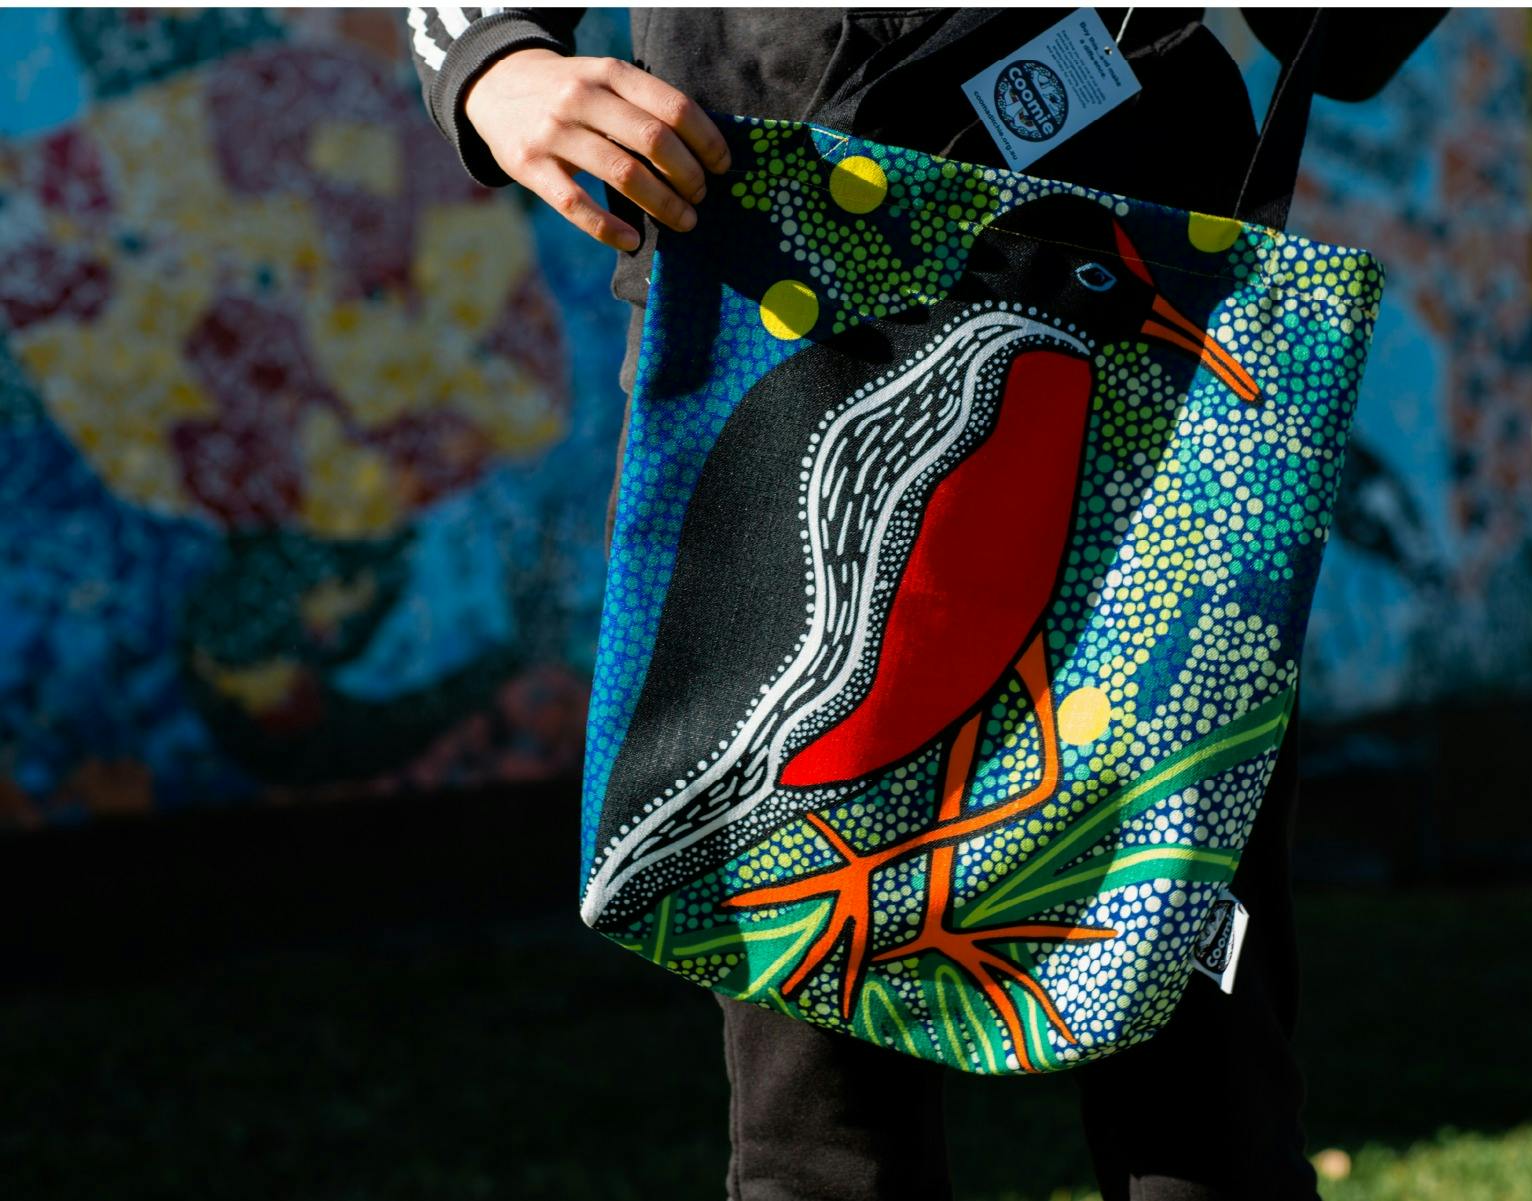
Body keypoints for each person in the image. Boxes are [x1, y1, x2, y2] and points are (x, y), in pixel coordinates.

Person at [406, 9, 1442, 1199]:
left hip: (1160, 341)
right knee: (820, 1131)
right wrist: (494, 64)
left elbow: (1346, 38)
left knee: (1197, 1090)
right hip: (774, 296)